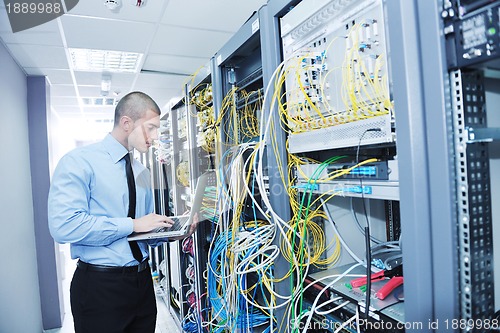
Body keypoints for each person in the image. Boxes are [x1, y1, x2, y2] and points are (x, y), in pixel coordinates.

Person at [48, 91, 196, 333]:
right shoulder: (79, 162)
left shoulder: (141, 172)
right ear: (127, 123)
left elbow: (142, 235)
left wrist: (172, 233)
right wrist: (132, 224)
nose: (155, 137)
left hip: (142, 283)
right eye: (151, 128)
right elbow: (63, 226)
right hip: (100, 287)